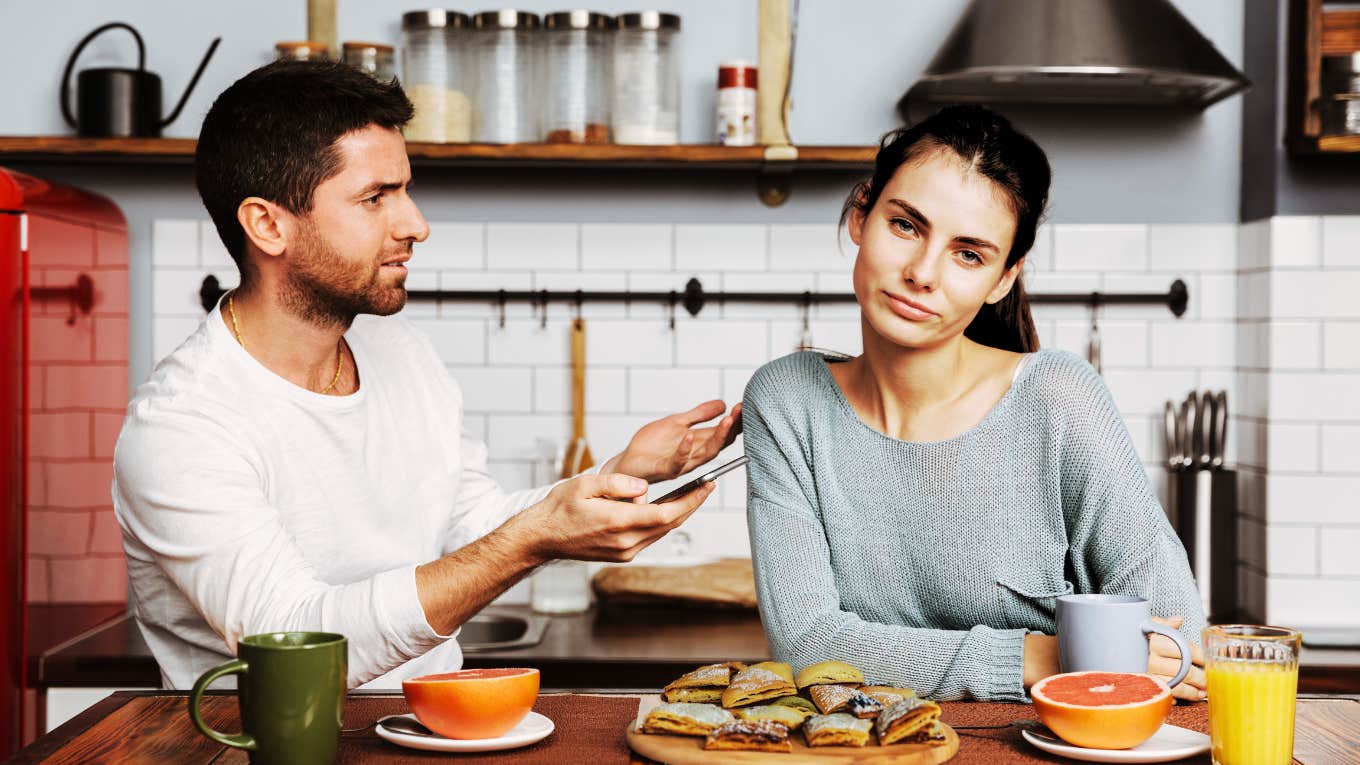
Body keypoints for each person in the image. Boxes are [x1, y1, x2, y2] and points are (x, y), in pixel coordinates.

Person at [112, 60, 740, 690]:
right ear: (268, 225)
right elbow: (297, 641)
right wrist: (536, 538)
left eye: (406, 190)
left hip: (430, 732)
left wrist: (619, 479)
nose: (416, 224)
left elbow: (470, 524)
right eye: (375, 198)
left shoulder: (399, 348)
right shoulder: (181, 429)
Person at [741, 105, 1206, 703]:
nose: (922, 273)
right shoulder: (786, 401)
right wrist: (1047, 652)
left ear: (1003, 279)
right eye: (906, 225)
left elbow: (1175, 636)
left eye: (969, 254)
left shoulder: (1058, 397)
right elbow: (807, 645)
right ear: (861, 214)